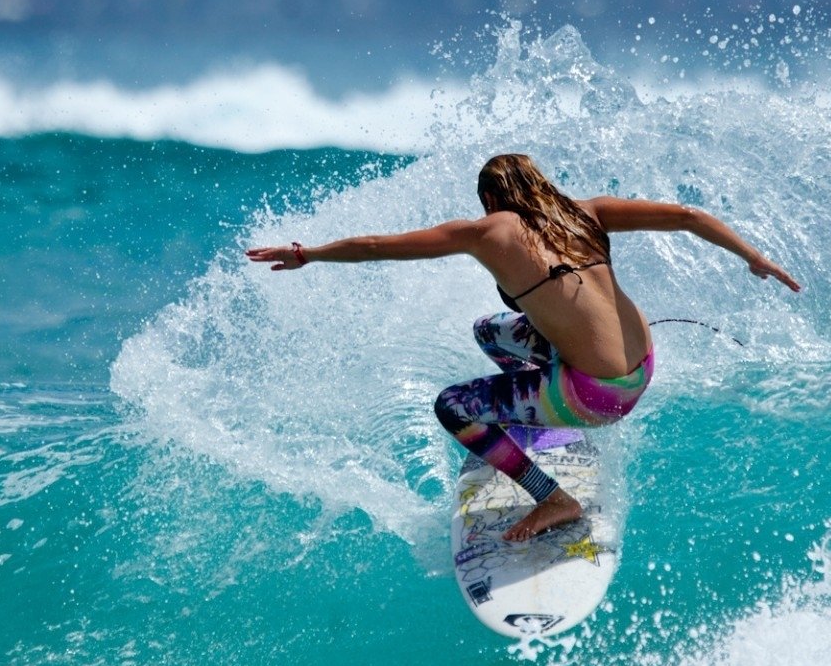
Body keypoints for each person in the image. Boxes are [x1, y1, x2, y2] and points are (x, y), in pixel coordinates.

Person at [247, 153, 800, 542]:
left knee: (454, 408)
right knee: (491, 331)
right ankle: (537, 417)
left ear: (490, 198)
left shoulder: (489, 231)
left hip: (597, 396)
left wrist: (309, 253)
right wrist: (753, 256)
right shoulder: (587, 212)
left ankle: (553, 497)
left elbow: (375, 246)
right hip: (640, 370)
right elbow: (687, 216)